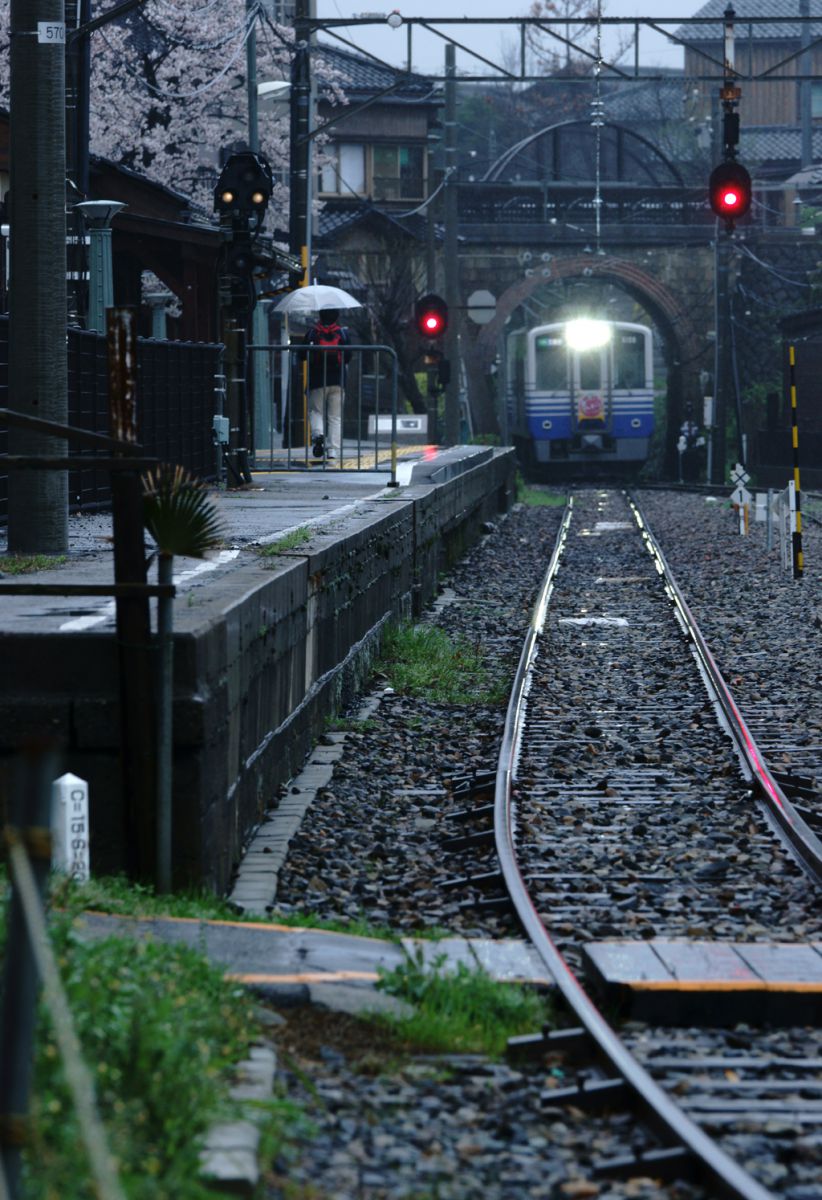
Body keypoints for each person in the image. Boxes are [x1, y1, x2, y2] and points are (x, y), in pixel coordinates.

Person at [303, 308, 351, 460]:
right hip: (337, 381)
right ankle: (332, 450)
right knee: (335, 417)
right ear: (336, 317)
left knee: (316, 411)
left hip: (317, 380)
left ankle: (318, 435)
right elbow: (348, 357)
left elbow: (302, 355)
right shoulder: (342, 334)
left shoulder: (312, 333)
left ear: (320, 316)